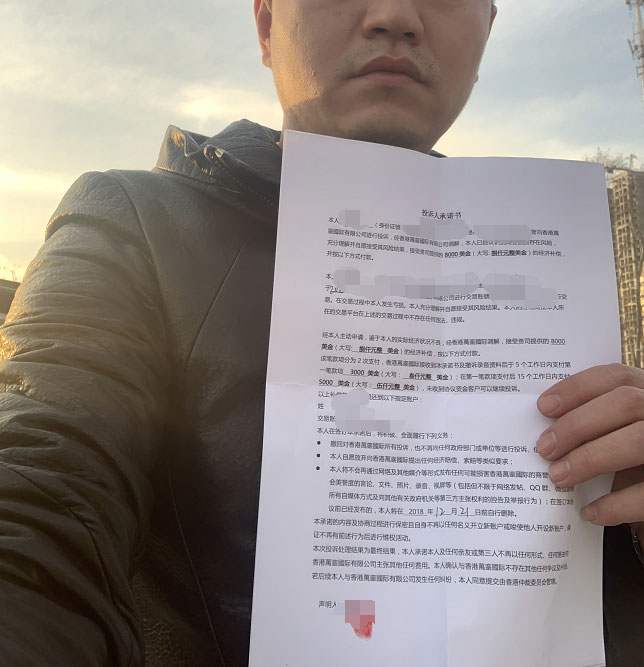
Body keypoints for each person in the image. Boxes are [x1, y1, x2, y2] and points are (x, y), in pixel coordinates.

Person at [0, 0, 643, 664]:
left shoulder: (584, 259)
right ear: (266, 25)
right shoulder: (136, 229)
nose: (395, 15)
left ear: (487, 32)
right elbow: (40, 488)